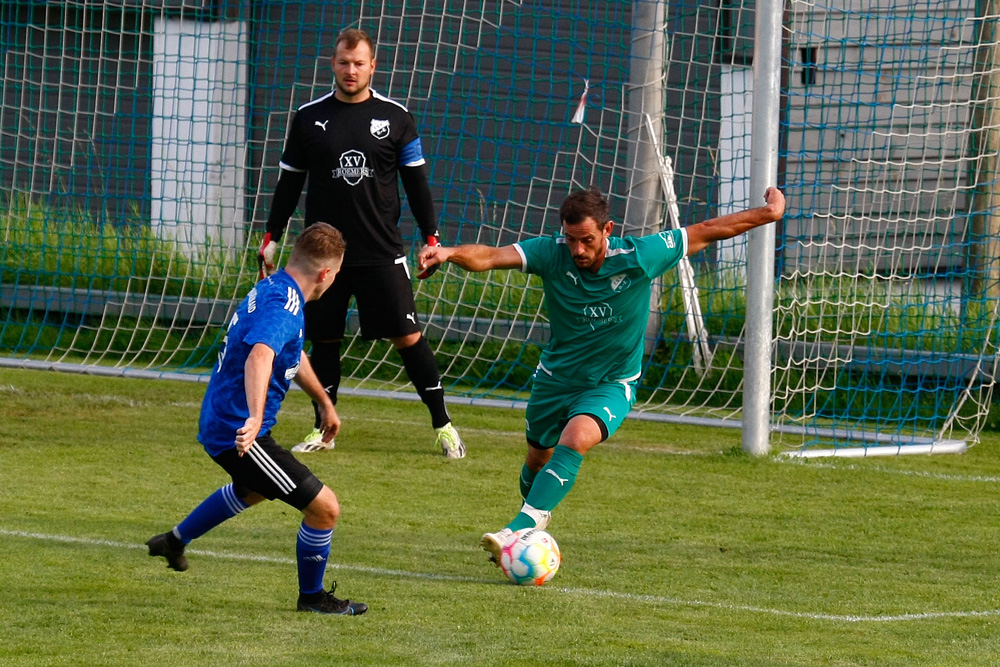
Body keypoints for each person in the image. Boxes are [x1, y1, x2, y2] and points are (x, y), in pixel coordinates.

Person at [417, 186, 786, 564]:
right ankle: (534, 517)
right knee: (536, 458)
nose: (578, 250)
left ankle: (515, 530)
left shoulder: (641, 256)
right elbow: (492, 256)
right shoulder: (551, 253)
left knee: (575, 438)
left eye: (587, 240)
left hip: (611, 382)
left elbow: (708, 229)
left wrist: (768, 213)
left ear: (608, 229)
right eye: (571, 239)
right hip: (555, 380)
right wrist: (449, 253)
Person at [258, 27, 465, 458]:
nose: (350, 70)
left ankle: (443, 424)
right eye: (343, 62)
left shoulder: (396, 116)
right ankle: (322, 429)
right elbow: (289, 183)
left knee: (408, 336)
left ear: (373, 66)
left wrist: (431, 237)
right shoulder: (308, 117)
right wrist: (271, 237)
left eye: (358, 63)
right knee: (323, 341)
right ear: (332, 64)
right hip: (322, 257)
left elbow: (417, 185)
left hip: (381, 252)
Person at [146, 223, 367, 616]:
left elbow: (289, 353)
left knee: (256, 489)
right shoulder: (286, 305)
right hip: (239, 430)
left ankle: (175, 540)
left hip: (224, 421)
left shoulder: (273, 287)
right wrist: (254, 417)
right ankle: (313, 599)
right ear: (325, 274)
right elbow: (261, 354)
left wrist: (323, 401)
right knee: (324, 508)